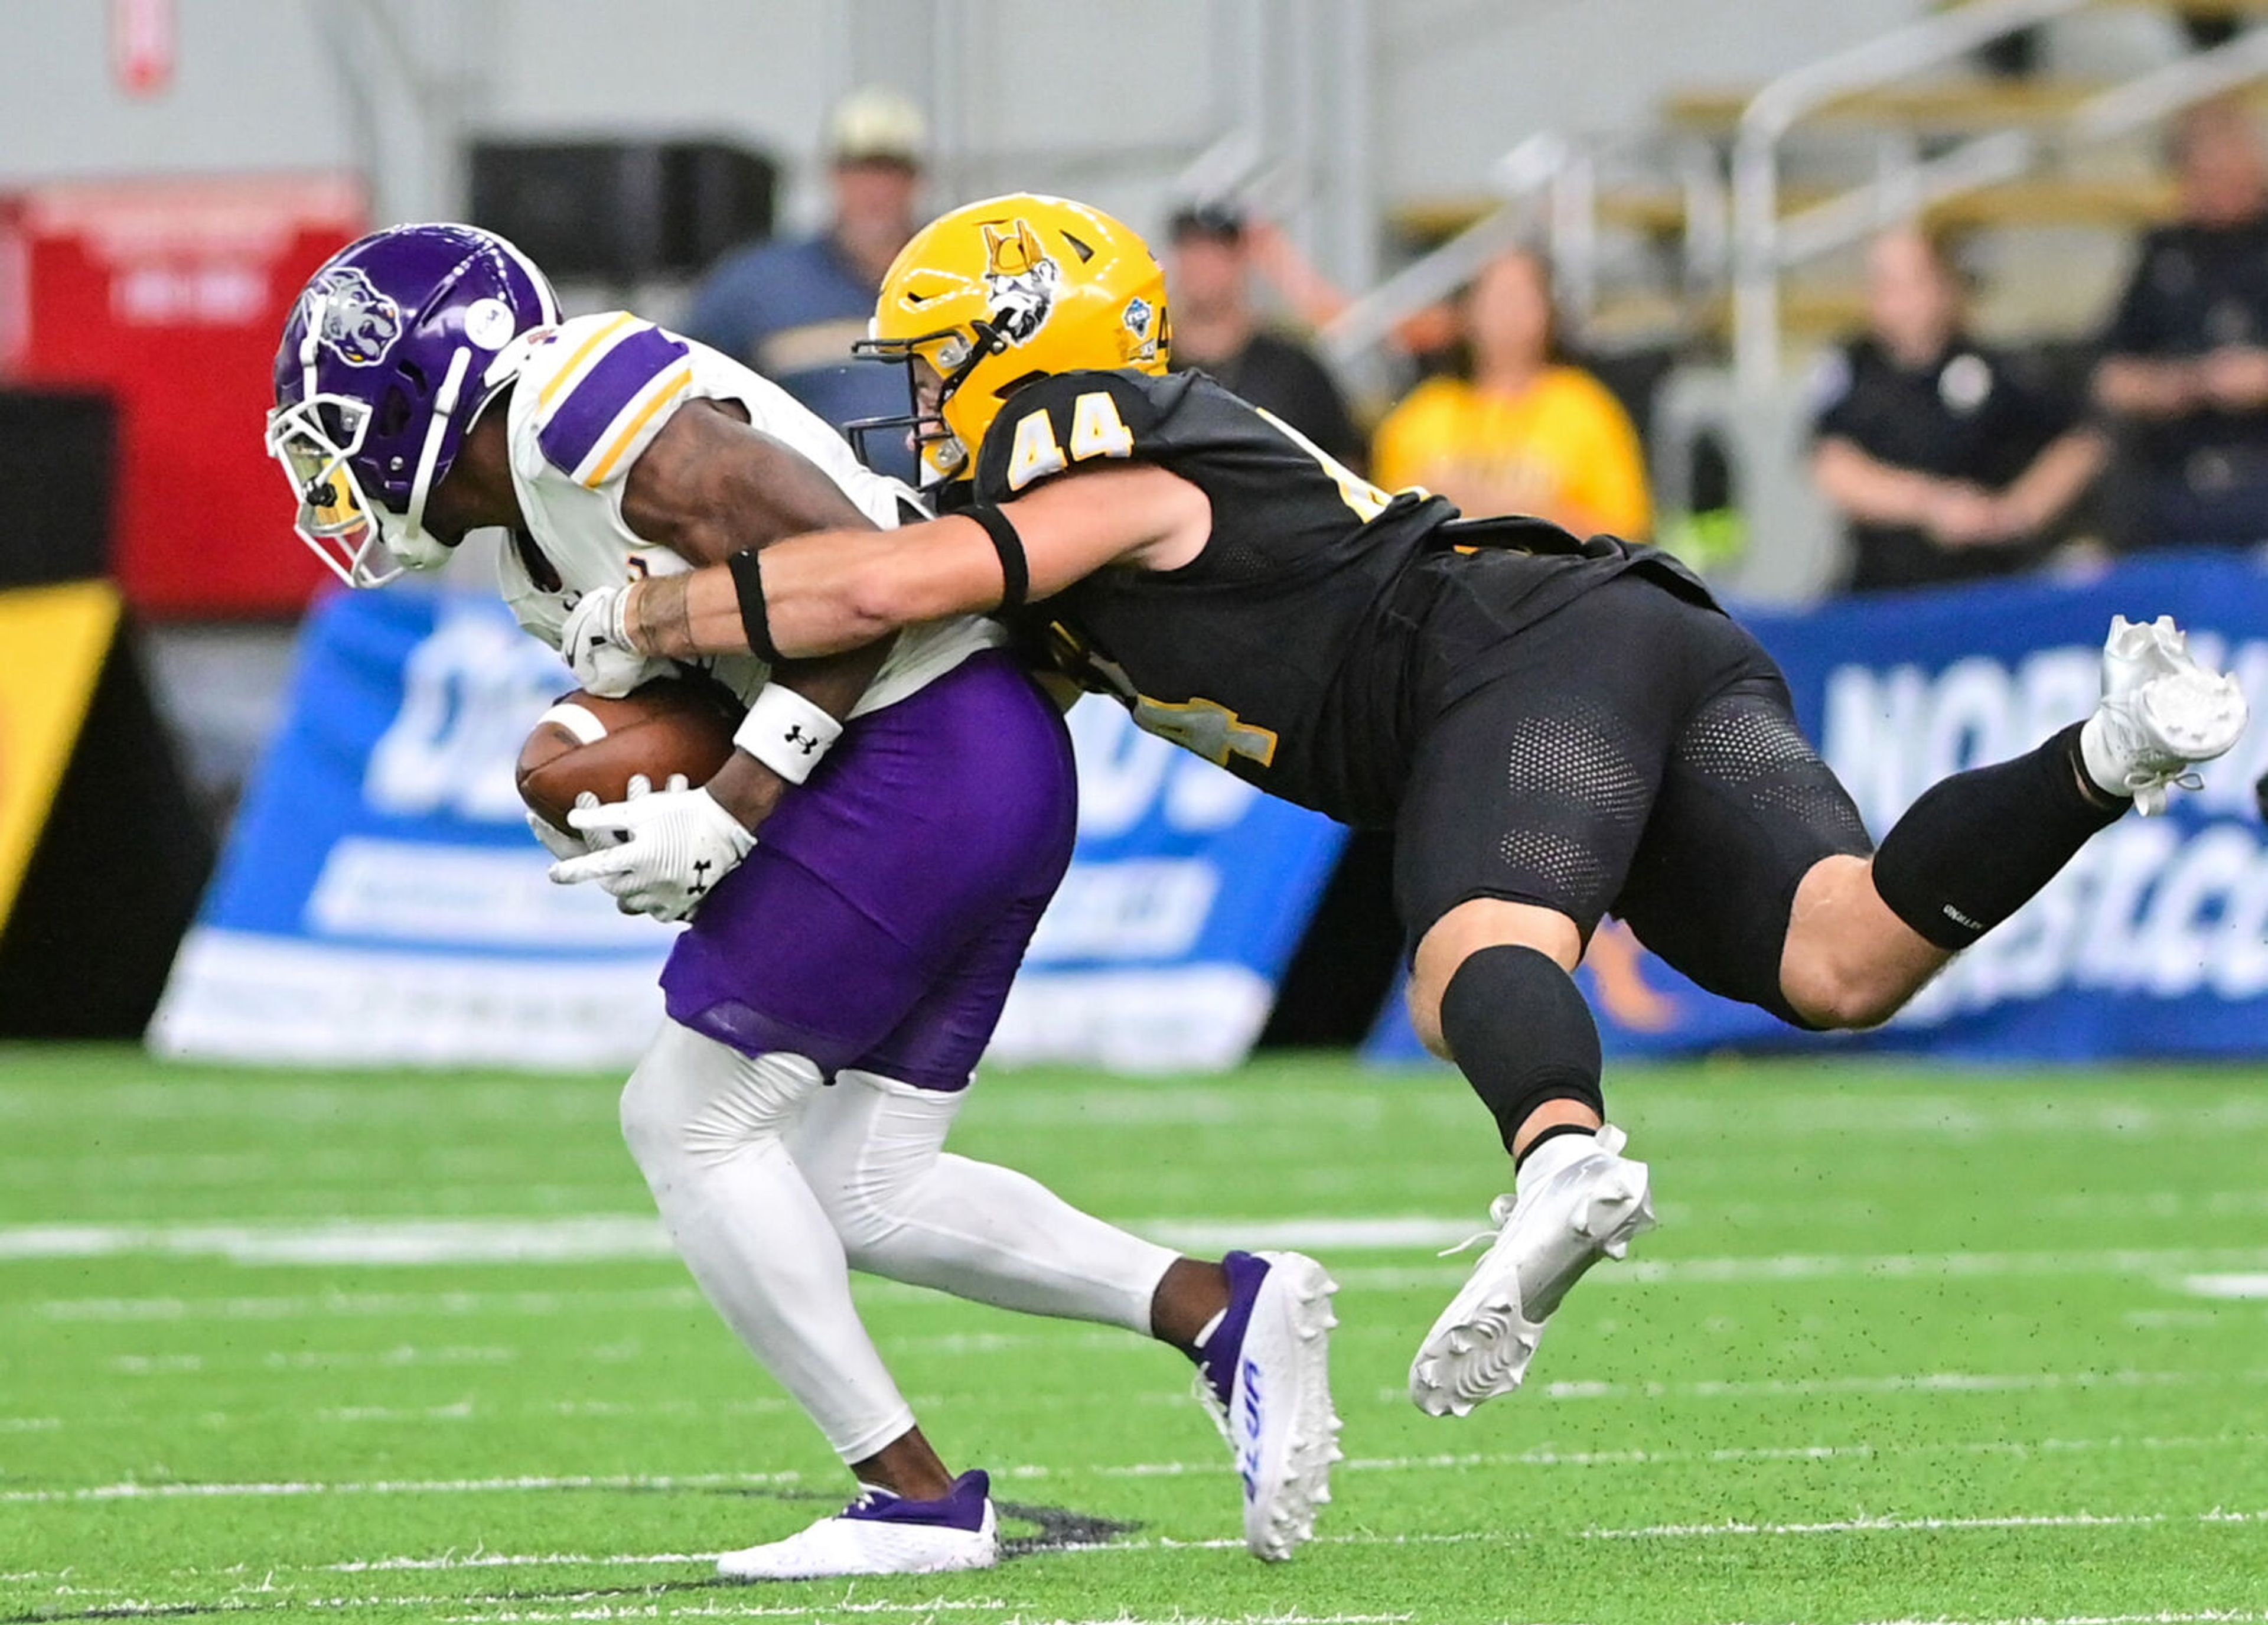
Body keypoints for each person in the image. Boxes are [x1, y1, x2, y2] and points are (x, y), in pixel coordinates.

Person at [566, 193, 2249, 1421]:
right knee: (1843, 956)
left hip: (1503, 655)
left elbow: (897, 585)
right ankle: (2106, 756)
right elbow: (944, 664)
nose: (922, 404)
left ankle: (1565, 1156)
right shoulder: (1096, 517)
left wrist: (650, 615)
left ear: (1030, 356)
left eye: (940, 365)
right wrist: (740, 775)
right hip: (1631, 629)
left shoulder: (1121, 468)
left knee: (1466, 969)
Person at [265, 223, 1340, 1577]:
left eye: (348, 431)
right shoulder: (531, 553)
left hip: (926, 740)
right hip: (967, 754)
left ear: (430, 392)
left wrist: (732, 810)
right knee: (862, 1185)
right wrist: (626, 786)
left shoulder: (574, 408)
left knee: (685, 1118)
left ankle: (912, 1498)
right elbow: (727, 663)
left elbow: (847, 580)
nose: (339, 473)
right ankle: (1216, 1312)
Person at [1811, 227, 2104, 593]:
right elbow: (1834, 467)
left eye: (1911, 283)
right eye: (1884, 284)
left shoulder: (1992, 369)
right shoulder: (1854, 368)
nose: (1897, 301)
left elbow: (2080, 442)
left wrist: (2016, 514)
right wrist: (1933, 504)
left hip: (1982, 581)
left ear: (1945, 287)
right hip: (1882, 584)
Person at [679, 89, 930, 481]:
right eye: (860, 170)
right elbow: (684, 389)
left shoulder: (958, 278)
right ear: (833, 176)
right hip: (810, 519)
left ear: (917, 180)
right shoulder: (757, 284)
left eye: (892, 172)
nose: (876, 190)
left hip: (951, 517)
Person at [1370, 245, 1651, 539]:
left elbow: (1628, 534)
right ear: (1467, 311)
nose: (1508, 314)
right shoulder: (1423, 413)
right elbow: (1385, 529)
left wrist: (1525, 513)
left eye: (1522, 298)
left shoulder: (1585, 407)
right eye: (1496, 298)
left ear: (1548, 311)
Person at [2094, 97, 2268, 549]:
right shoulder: (2164, 255)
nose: (2225, 186)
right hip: (2180, 472)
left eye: (2235, 168)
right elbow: (2110, 376)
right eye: (2208, 174)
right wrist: (2177, 385)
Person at [1165, 201, 1366, 472]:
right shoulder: (1150, 367)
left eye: (1217, 251)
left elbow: (1345, 465)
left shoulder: (1294, 368)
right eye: (1193, 250)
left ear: (1241, 260)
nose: (1203, 265)